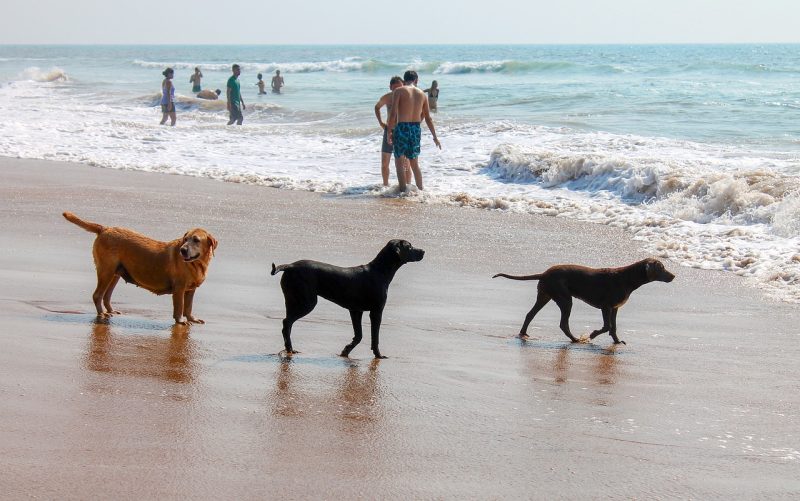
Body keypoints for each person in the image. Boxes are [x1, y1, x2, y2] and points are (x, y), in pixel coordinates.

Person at [387, 70, 441, 191]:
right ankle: (421, 191)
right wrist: (435, 137)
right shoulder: (422, 94)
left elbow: (393, 114)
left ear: (404, 80)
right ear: (416, 80)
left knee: (399, 161)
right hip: (416, 128)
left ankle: (402, 191)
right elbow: (428, 118)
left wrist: (389, 132)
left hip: (402, 127)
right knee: (414, 163)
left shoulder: (399, 91)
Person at [374, 76, 410, 187]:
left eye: (399, 87)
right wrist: (381, 122)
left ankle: (407, 186)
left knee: (406, 163)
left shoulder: (408, 97)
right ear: (390, 87)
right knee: (385, 162)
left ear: (403, 85)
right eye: (394, 88)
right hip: (389, 130)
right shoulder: (387, 97)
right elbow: (377, 107)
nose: (397, 91)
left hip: (403, 131)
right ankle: (385, 186)